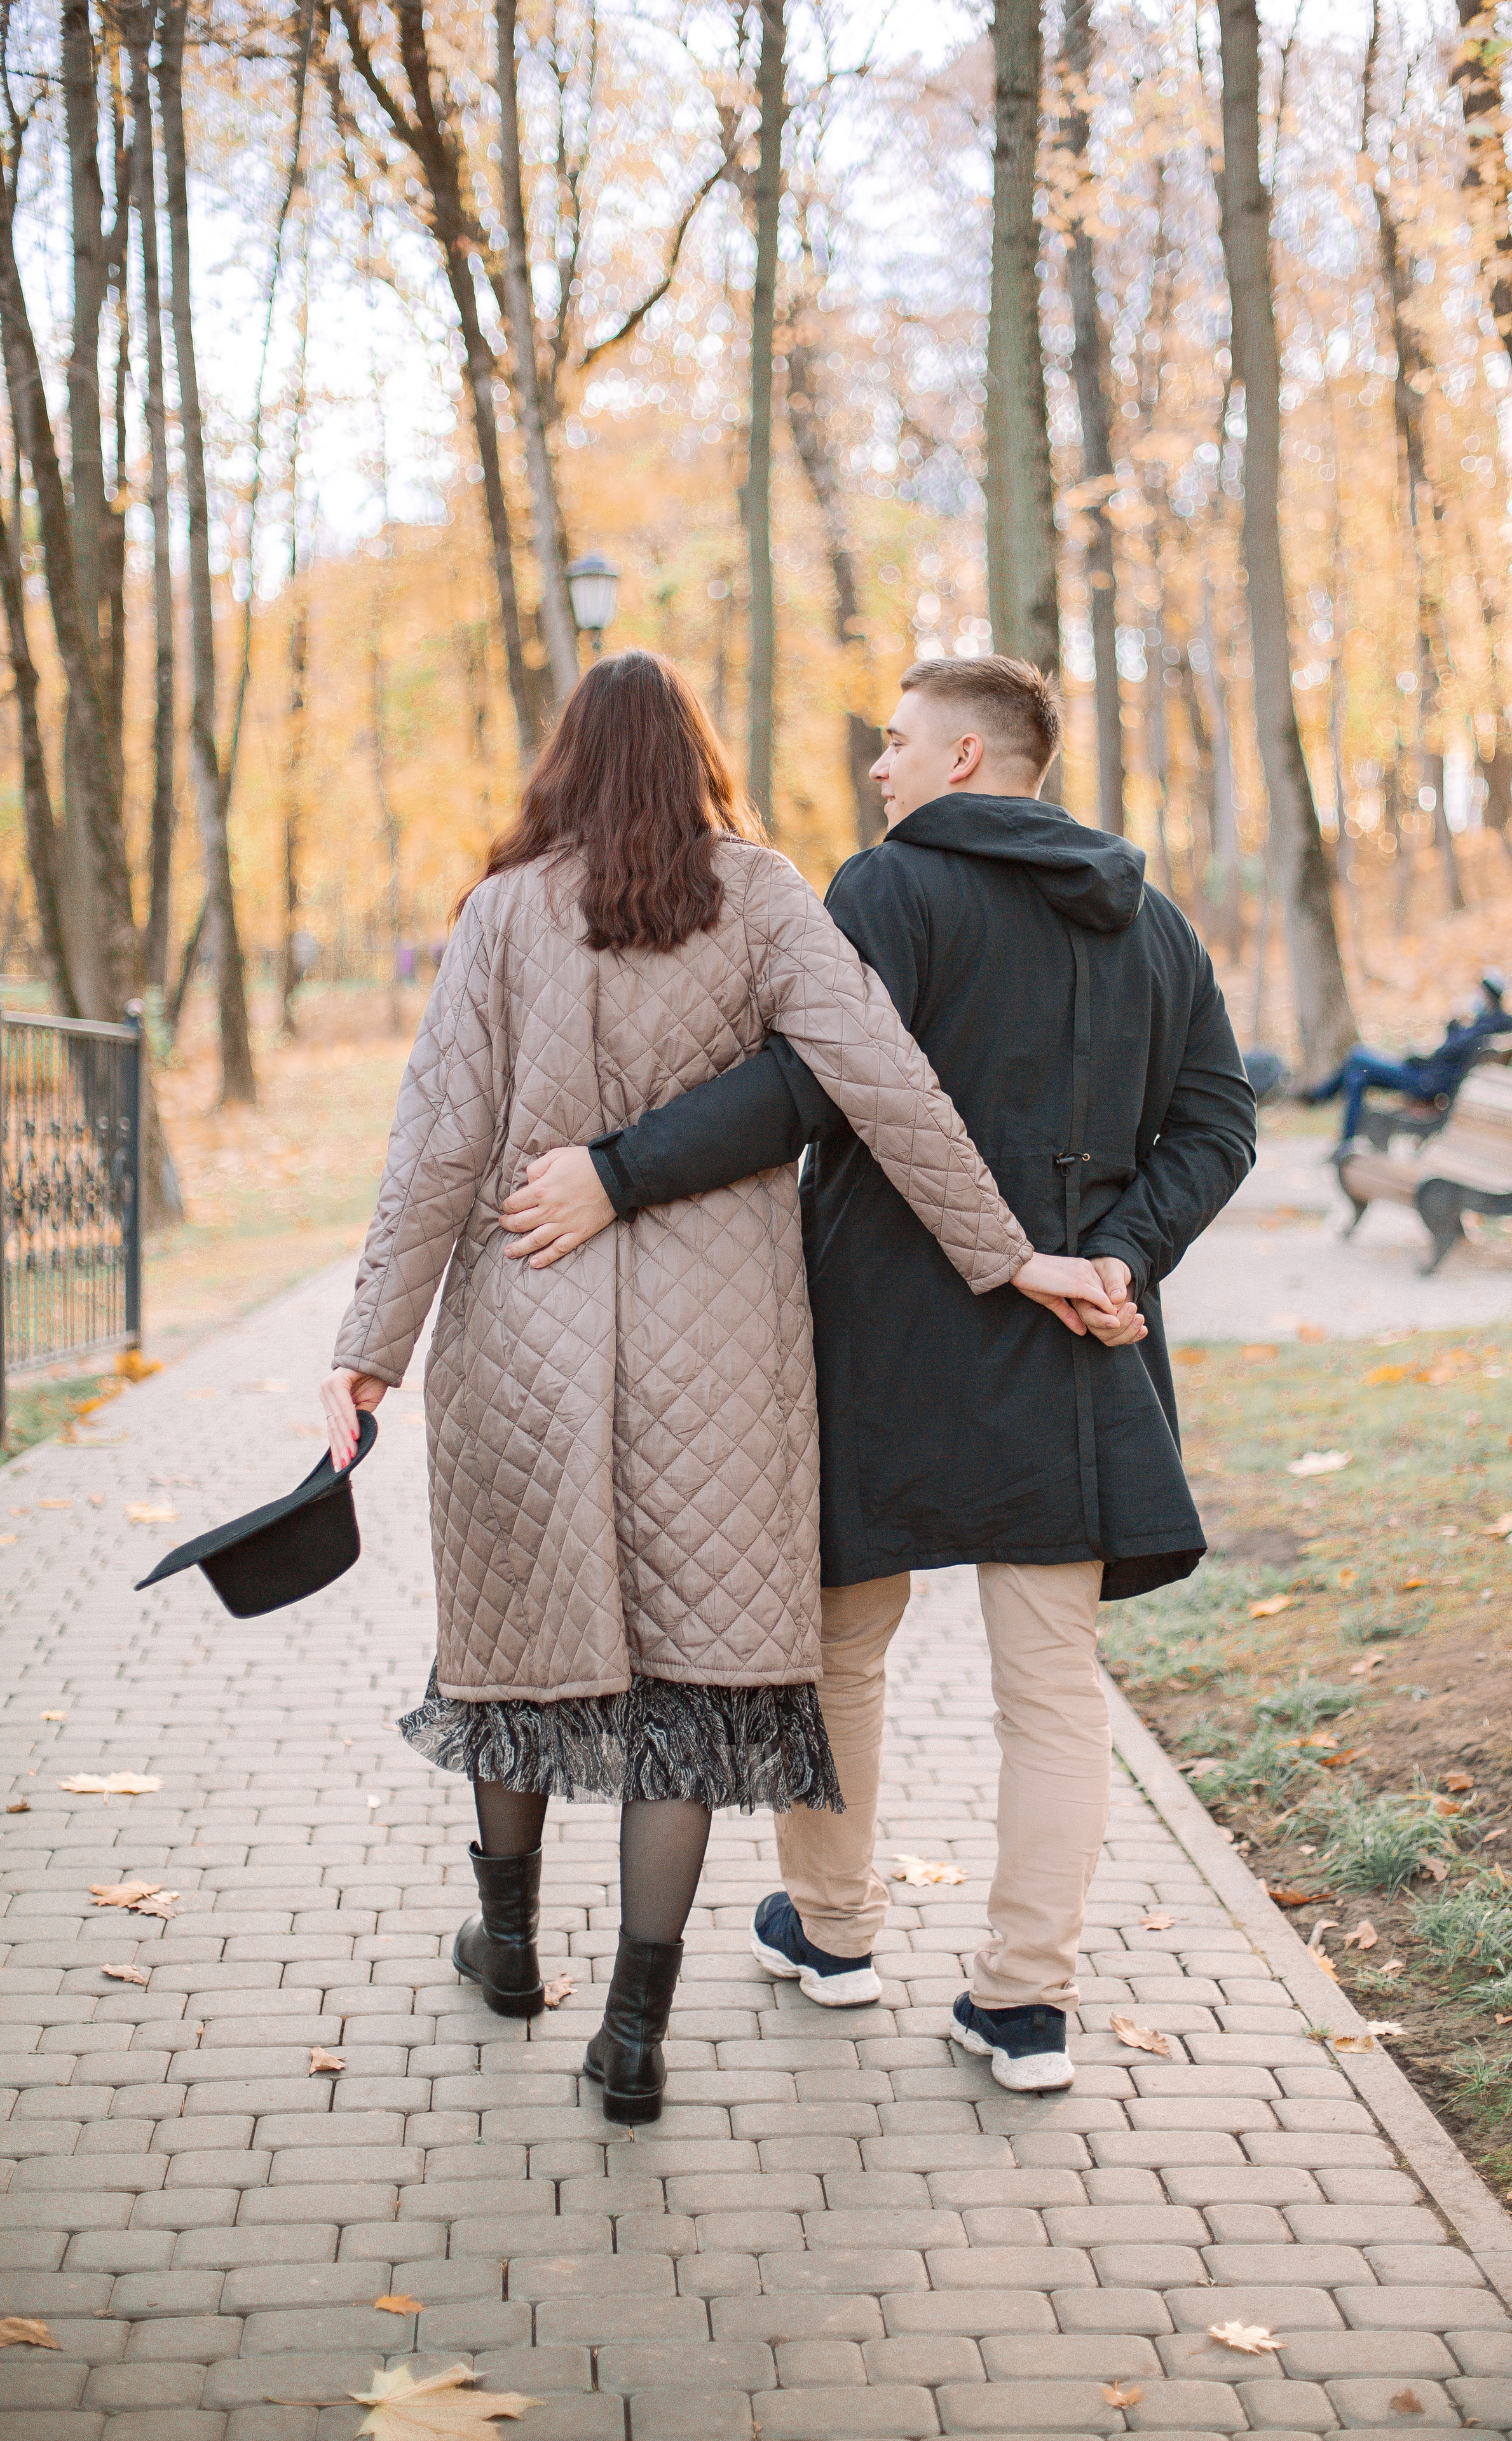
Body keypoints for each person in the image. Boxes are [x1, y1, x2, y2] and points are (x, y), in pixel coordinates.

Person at [317, 651, 1112, 2126]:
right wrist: (1007, 1259)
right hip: (725, 1361)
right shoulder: (759, 894)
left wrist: (368, 1350)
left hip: (520, 1339)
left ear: (563, 763)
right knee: (679, 1698)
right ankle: (632, 2033)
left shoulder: (497, 914)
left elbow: (434, 1148)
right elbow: (887, 1086)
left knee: (514, 1660)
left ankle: (503, 1946)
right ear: (695, 760)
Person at [497, 655, 1257, 2092]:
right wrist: (1112, 1254)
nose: (878, 767)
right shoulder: (1153, 922)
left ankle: (833, 1930)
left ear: (965, 759)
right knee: (1051, 1689)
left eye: (897, 742)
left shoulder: (887, 891)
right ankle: (1023, 2005)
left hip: (878, 1339)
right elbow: (1219, 1123)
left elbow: (804, 1084)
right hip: (1067, 1350)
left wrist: (614, 1173)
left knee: (837, 1649)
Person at [1299, 970, 1512, 1147]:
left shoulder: (1489, 1025)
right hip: (1428, 1077)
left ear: (1488, 995)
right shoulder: (1487, 1024)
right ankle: (1345, 1142)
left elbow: (1446, 1052)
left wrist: (1454, 1025)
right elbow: (1452, 1052)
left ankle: (1321, 1098)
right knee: (1357, 1077)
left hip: (1426, 1082)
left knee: (1358, 1056)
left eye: (1479, 991)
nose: (1475, 995)